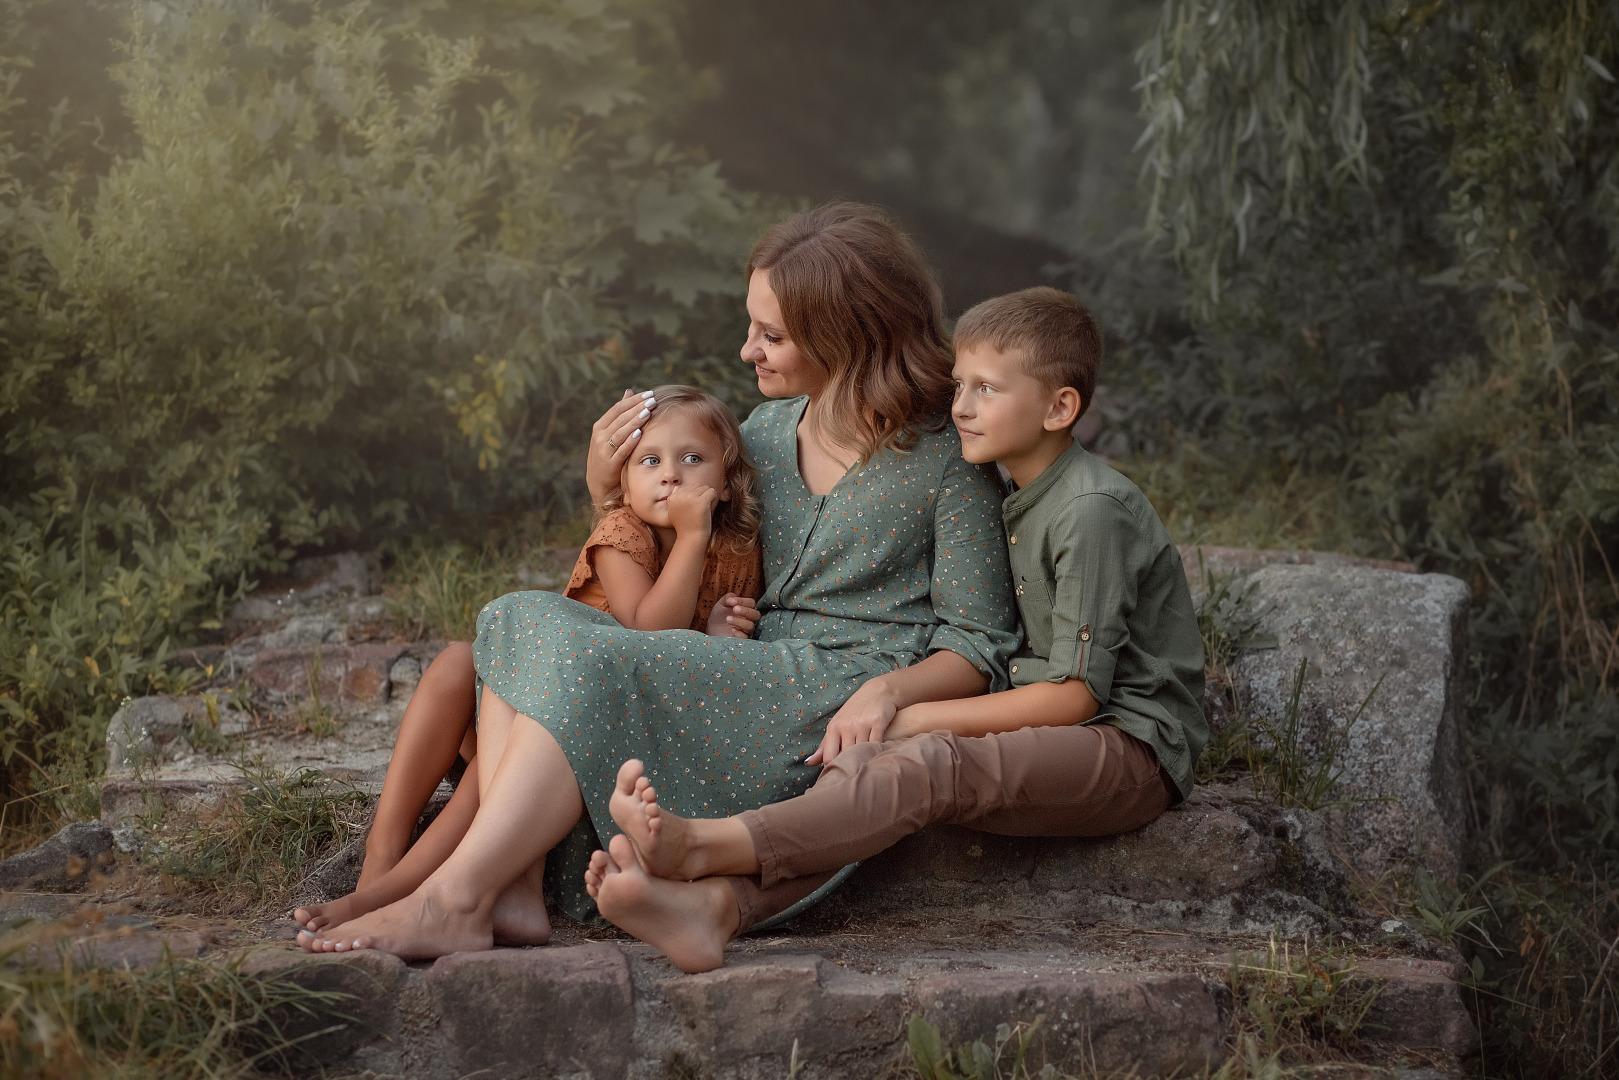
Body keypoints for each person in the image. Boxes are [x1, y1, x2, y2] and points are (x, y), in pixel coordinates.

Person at [295, 203, 1020, 958]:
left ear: (847, 334)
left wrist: (889, 692)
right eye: (752, 327)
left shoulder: (945, 464)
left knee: (585, 652)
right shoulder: (764, 436)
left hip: (831, 697)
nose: (747, 351)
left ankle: (457, 898)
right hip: (743, 663)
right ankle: (504, 891)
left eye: (771, 336)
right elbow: (668, 544)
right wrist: (602, 489)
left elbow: (977, 645)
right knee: (517, 614)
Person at [583, 286, 1208, 973]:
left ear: (1060, 408)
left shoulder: (1087, 510)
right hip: (1053, 714)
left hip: (1128, 743)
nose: (959, 406)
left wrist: (912, 711)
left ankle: (699, 847)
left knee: (923, 761)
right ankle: (717, 910)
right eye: (959, 383)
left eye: (986, 390)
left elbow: (1075, 697)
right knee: (864, 765)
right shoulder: (1022, 490)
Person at [292, 385, 763, 938]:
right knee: (454, 664)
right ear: (622, 480)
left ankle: (414, 899)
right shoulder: (621, 533)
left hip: (587, 730)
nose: (671, 476)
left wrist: (714, 633)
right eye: (650, 461)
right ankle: (382, 857)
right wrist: (690, 535)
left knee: (487, 785)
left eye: (692, 459)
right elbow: (646, 629)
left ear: (728, 481)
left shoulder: (735, 551)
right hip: (536, 702)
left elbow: (676, 659)